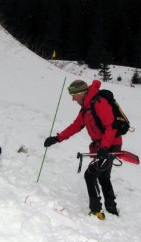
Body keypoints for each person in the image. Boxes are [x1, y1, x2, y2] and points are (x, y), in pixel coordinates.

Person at [44, 79, 122, 220]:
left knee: (90, 175)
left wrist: (105, 148)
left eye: (74, 95)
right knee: (103, 176)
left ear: (81, 93)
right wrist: (57, 138)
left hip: (110, 145)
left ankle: (96, 211)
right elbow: (75, 126)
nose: (73, 99)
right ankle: (112, 210)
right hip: (102, 146)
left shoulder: (98, 103)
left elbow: (112, 126)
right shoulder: (86, 109)